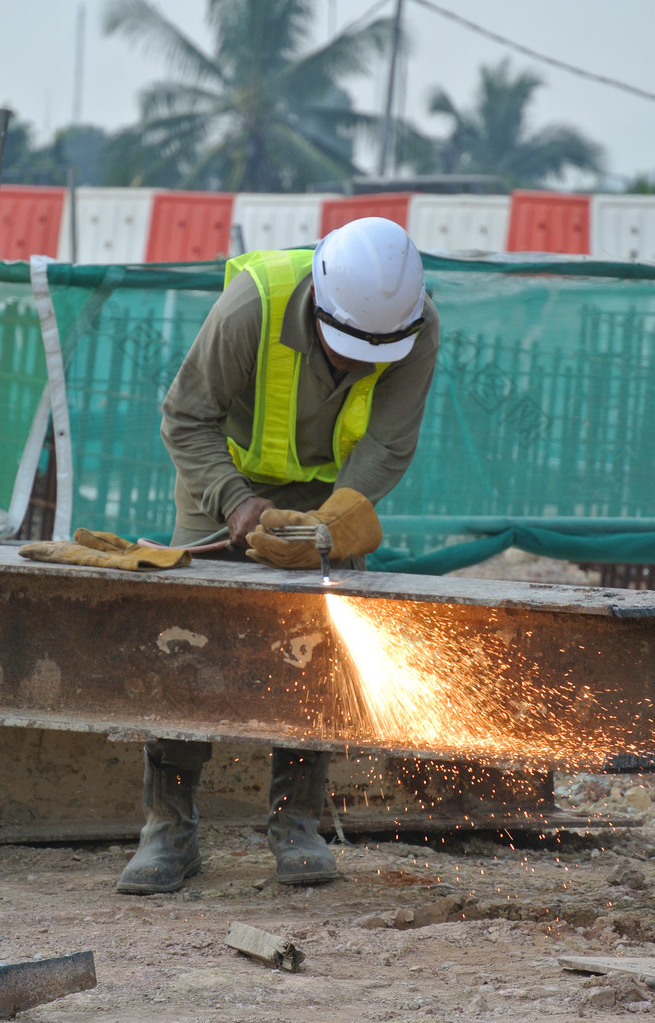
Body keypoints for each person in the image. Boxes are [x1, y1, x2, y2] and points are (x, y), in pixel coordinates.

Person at [116, 216, 440, 895]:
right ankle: (168, 830)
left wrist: (329, 525)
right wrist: (236, 503)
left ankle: (296, 824)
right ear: (317, 300)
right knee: (188, 643)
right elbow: (184, 416)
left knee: (316, 643)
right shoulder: (252, 306)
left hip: (325, 494)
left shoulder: (413, 329)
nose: (356, 365)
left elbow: (387, 445)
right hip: (220, 479)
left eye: (371, 355)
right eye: (346, 347)